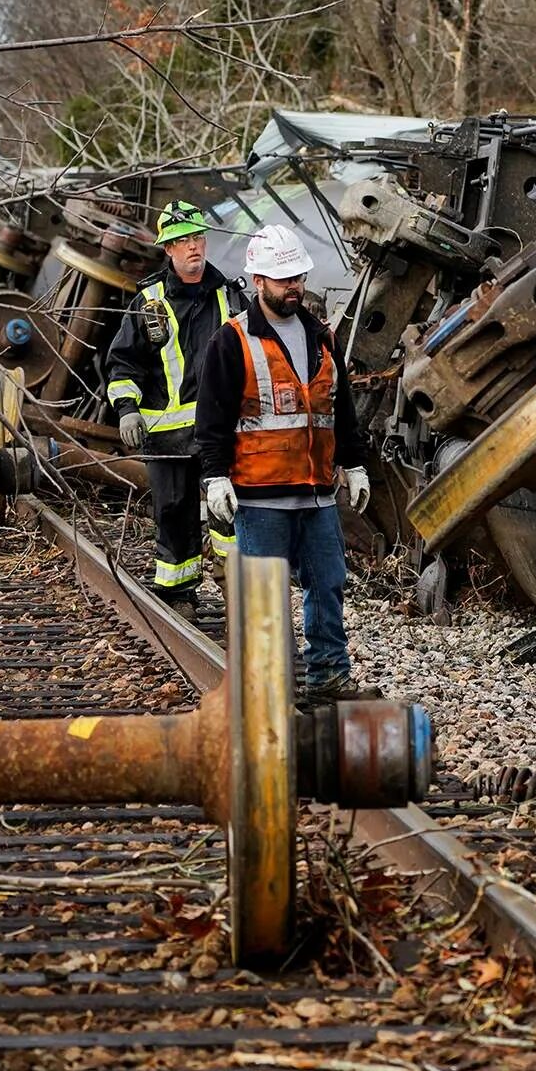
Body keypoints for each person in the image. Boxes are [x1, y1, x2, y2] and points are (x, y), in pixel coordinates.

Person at [194, 223, 373, 701]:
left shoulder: (322, 337)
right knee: (265, 597)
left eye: (297, 276)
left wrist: (353, 464)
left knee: (328, 584)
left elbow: (342, 409)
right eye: (283, 278)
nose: (293, 285)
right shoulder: (233, 341)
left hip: (317, 492)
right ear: (258, 282)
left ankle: (329, 676)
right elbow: (211, 418)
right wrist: (214, 477)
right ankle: (268, 688)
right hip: (261, 493)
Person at [103, 200, 242, 607]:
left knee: (229, 514)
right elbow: (123, 362)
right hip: (166, 436)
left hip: (220, 434)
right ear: (168, 249)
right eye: (182, 241)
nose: (193, 247)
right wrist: (127, 409)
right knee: (174, 513)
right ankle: (178, 594)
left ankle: (237, 591)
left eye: (197, 237)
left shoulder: (229, 296)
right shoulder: (149, 302)